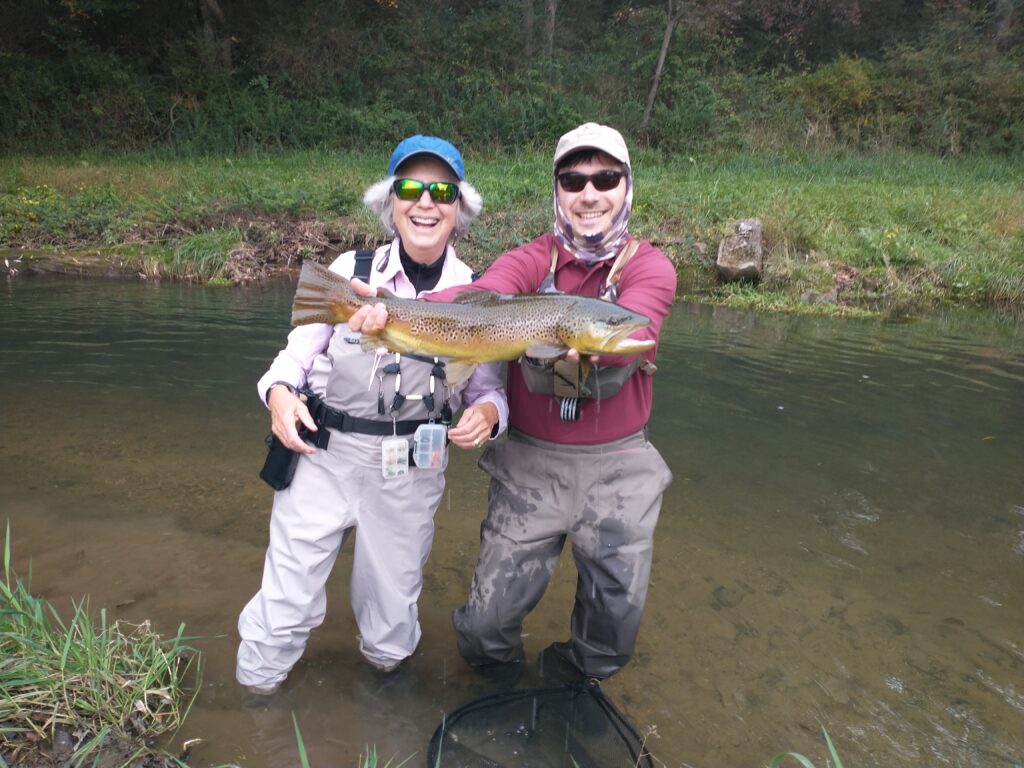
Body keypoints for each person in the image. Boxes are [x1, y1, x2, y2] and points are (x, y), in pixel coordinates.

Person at [350, 123, 675, 683]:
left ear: (627, 187)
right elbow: (481, 294)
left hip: (619, 467)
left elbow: (629, 340)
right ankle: (497, 685)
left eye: (605, 179)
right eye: (574, 179)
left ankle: (575, 683)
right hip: (529, 463)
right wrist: (399, 308)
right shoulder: (532, 259)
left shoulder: (651, 268)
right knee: (485, 627)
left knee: (612, 631)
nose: (590, 193)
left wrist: (588, 338)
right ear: (558, 190)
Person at [236, 135, 508, 695]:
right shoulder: (349, 271)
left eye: (441, 191)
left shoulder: (478, 293)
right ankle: (249, 706)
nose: (425, 202)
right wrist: (280, 395)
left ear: (460, 209)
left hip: (411, 470)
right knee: (284, 608)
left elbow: (489, 388)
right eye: (410, 189)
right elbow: (293, 357)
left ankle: (383, 718)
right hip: (321, 454)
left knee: (389, 631)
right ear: (390, 203)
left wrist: (487, 413)